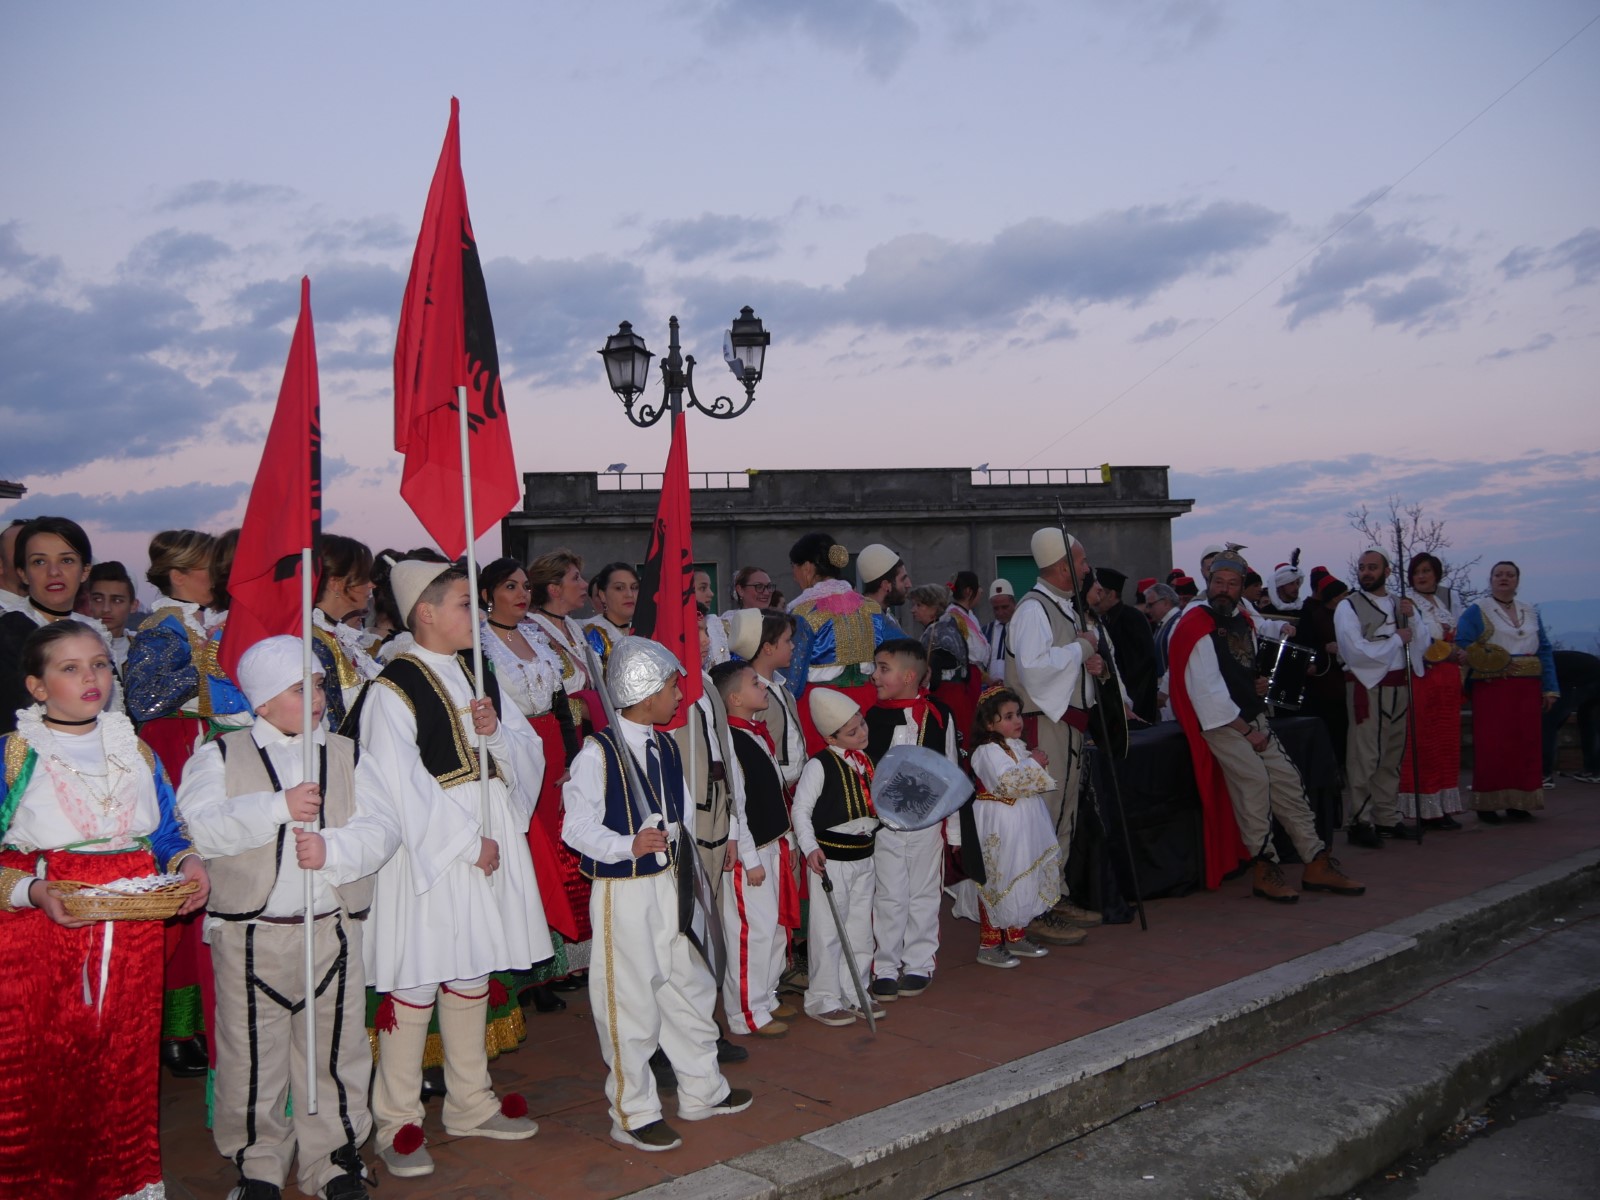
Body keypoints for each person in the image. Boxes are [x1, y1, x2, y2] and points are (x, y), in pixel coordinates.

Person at [348, 560, 548, 1178]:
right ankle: (396, 1121)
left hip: (486, 835)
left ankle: (470, 1102)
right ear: (426, 612)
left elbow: (526, 749)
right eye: (466, 602)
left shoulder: (474, 671)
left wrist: (496, 735)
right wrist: (465, 842)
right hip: (429, 850)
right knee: (417, 974)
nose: (477, 614)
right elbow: (395, 783)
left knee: (469, 969)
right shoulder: (391, 689)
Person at [0, 620, 210, 1199]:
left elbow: (166, 832)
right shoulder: (15, 753)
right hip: (45, 929)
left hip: (133, 927)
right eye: (69, 668)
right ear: (37, 686)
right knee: (47, 1061)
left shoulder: (133, 747)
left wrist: (189, 863)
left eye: (98, 663)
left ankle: (124, 1179)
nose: (91, 677)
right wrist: (33, 891)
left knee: (123, 1058)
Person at [179, 637, 391, 1200]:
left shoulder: (347, 754)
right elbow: (199, 826)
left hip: (330, 929)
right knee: (253, 1055)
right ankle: (259, 1162)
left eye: (319, 684)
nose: (317, 697)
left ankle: (334, 1159)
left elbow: (383, 826)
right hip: (253, 934)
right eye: (301, 688)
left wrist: (334, 850)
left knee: (337, 1050)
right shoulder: (220, 755)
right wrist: (276, 807)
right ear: (263, 701)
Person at [561, 636, 754, 1152]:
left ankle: (702, 1089)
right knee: (629, 1000)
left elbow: (682, 817)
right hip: (625, 891)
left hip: (670, 885)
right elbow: (575, 826)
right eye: (672, 687)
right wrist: (625, 845)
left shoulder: (665, 746)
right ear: (646, 695)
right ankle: (633, 1111)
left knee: (688, 986)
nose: (680, 695)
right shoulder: (598, 753)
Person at [125, 527, 255, 1076]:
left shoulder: (206, 623)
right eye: (209, 568)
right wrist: (213, 665)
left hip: (209, 749)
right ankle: (176, 1029)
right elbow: (145, 698)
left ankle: (199, 1022)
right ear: (178, 575)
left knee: (214, 890)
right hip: (177, 755)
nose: (218, 578)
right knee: (182, 893)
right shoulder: (162, 627)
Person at [1168, 554, 1365, 902]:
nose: (1224, 589)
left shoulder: (1243, 619)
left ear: (1241, 588)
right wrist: (1247, 731)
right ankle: (1264, 865)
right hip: (1222, 725)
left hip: (1252, 718)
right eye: (1218, 582)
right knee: (1255, 784)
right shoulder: (1195, 623)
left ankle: (1316, 860)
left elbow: (1248, 664)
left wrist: (1260, 682)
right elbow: (1206, 691)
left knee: (1288, 782)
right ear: (1209, 583)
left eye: (1232, 584)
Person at [477, 557, 583, 1008]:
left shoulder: (537, 638)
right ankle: (529, 976)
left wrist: (573, 759)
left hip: (551, 753)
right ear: (487, 595)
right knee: (528, 859)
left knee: (557, 856)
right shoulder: (479, 645)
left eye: (524, 586)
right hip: (514, 756)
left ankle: (555, 965)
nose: (521, 594)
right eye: (509, 586)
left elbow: (562, 706)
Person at [1003, 527, 1105, 939]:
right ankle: (1033, 910)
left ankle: (1053, 894)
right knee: (1042, 817)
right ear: (1063, 567)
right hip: (1045, 724)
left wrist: (1093, 664)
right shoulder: (1033, 610)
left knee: (1063, 815)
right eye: (1081, 562)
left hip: (1065, 724)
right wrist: (1083, 648)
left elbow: (1068, 661)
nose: (1086, 568)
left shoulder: (1062, 607)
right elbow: (1037, 670)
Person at [865, 638, 963, 1001]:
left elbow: (951, 768)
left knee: (924, 893)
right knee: (888, 895)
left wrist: (954, 831)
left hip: (927, 825)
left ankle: (919, 962)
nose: (874, 676)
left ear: (909, 676)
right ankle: (886, 966)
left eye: (883, 669)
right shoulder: (871, 718)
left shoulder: (939, 715)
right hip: (886, 827)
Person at [712, 658, 797, 1039]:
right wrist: (749, 858)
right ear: (734, 699)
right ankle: (745, 1011)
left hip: (772, 843)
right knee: (752, 931)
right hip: (752, 852)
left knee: (774, 927)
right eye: (754, 683)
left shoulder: (756, 733)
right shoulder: (731, 742)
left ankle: (767, 993)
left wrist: (787, 840)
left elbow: (774, 793)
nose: (763, 686)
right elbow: (736, 805)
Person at [951, 685, 1062, 966]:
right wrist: (1034, 764)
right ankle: (989, 943)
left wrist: (1034, 763)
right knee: (997, 877)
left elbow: (1028, 780)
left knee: (1020, 873)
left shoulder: (1016, 746)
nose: (1018, 721)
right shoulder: (986, 751)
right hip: (998, 824)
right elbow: (1006, 783)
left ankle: (1015, 934)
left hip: (1024, 823)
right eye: (1009, 716)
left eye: (1018, 714)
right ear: (989, 724)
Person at [791, 688, 881, 1027]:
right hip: (831, 861)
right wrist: (809, 847)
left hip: (864, 856)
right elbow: (801, 810)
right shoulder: (819, 765)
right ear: (831, 737)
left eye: (862, 724)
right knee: (829, 929)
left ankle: (855, 989)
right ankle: (823, 997)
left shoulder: (866, 761)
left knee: (860, 927)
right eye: (852, 732)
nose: (862, 733)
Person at [1335, 548, 1426, 847]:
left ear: (1387, 571)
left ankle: (1387, 817)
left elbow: (1422, 642)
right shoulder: (1348, 606)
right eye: (1362, 567)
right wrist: (1396, 639)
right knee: (1365, 756)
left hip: (1399, 686)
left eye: (1373, 567)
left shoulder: (1401, 605)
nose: (1366, 572)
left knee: (1392, 755)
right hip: (1367, 687)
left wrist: (1412, 620)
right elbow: (1355, 650)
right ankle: (1359, 821)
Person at [0, 516, 123, 734]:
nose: (54, 572)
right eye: (39, 562)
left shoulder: (92, 630)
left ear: (85, 571)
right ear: (23, 574)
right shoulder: (9, 632)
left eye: (66, 560)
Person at [1457, 561, 1559, 822]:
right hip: (1493, 687)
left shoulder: (1530, 611)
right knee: (1493, 744)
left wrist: (1550, 688)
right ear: (1490, 580)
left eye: (1510, 575)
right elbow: (1463, 644)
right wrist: (1493, 660)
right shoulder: (1478, 610)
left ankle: (1519, 802)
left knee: (1525, 744)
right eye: (1498, 574)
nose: (1504, 578)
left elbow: (1544, 649)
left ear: (1517, 580)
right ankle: (1488, 804)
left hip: (1527, 689)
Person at [787, 532, 898, 746]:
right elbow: (904, 650)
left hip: (822, 712)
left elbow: (794, 680)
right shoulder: (871, 608)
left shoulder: (802, 613)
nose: (794, 575)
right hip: (868, 706)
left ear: (807, 568)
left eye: (794, 567)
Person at [1397, 553, 1468, 830]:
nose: (1421, 576)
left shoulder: (1444, 601)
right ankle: (1424, 809)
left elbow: (1457, 637)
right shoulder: (1409, 605)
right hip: (1424, 678)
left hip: (1448, 682)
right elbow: (1419, 643)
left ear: (1436, 574)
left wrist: (1459, 651)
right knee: (1425, 744)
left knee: (1447, 743)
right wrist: (1444, 650)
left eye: (1426, 571)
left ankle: (1442, 807)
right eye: (1417, 572)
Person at [311, 534, 384, 732]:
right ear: (336, 584)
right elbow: (333, 723)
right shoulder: (314, 640)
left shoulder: (340, 636)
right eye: (364, 577)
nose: (371, 585)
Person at [728, 609, 807, 788]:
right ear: (768, 648)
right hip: (769, 785)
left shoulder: (783, 688)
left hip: (795, 786)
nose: (792, 646)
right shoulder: (749, 695)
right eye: (787, 640)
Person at [1291, 574, 1353, 766]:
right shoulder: (1315, 616)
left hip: (1343, 680)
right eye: (1343, 594)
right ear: (1334, 597)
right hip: (1325, 683)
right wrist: (1324, 649)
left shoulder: (1347, 615)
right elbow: (1306, 643)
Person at [910, 583, 978, 742]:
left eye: (918, 605)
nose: (913, 610)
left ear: (934, 608)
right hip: (960, 698)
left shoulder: (937, 634)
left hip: (945, 699)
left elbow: (932, 677)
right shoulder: (949, 628)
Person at [1091, 567, 1158, 724]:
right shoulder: (1105, 619)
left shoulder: (1132, 619)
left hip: (1135, 706)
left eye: (1100, 592)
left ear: (1111, 594)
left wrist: (1125, 702)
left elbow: (1138, 669)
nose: (1096, 597)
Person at [1543, 651, 1600, 784]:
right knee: (1588, 722)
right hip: (1591, 676)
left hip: (1581, 680)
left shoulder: (1538, 665)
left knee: (1547, 722)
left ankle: (1544, 774)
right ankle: (1594, 771)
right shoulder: (1549, 658)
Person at [86, 560, 137, 680]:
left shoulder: (144, 647)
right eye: (98, 599)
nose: (106, 609)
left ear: (133, 605)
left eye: (117, 600)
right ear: (89, 602)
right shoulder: (75, 645)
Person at [583, 562, 639, 668]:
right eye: (619, 588)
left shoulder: (643, 631)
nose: (629, 594)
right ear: (602, 595)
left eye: (634, 587)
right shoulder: (590, 633)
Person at [857, 542, 910, 614]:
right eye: (903, 579)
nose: (909, 584)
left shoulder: (885, 614)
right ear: (886, 585)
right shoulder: (864, 618)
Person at [983, 578, 1016, 683]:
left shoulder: (1021, 629)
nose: (1000, 612)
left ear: (1014, 603)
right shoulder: (985, 631)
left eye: (1004, 607)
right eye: (996, 608)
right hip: (990, 688)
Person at [1260, 553, 1307, 619]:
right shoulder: (1266, 612)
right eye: (1291, 583)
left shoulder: (1305, 611)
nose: (1296, 587)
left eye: (1297, 583)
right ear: (1280, 585)